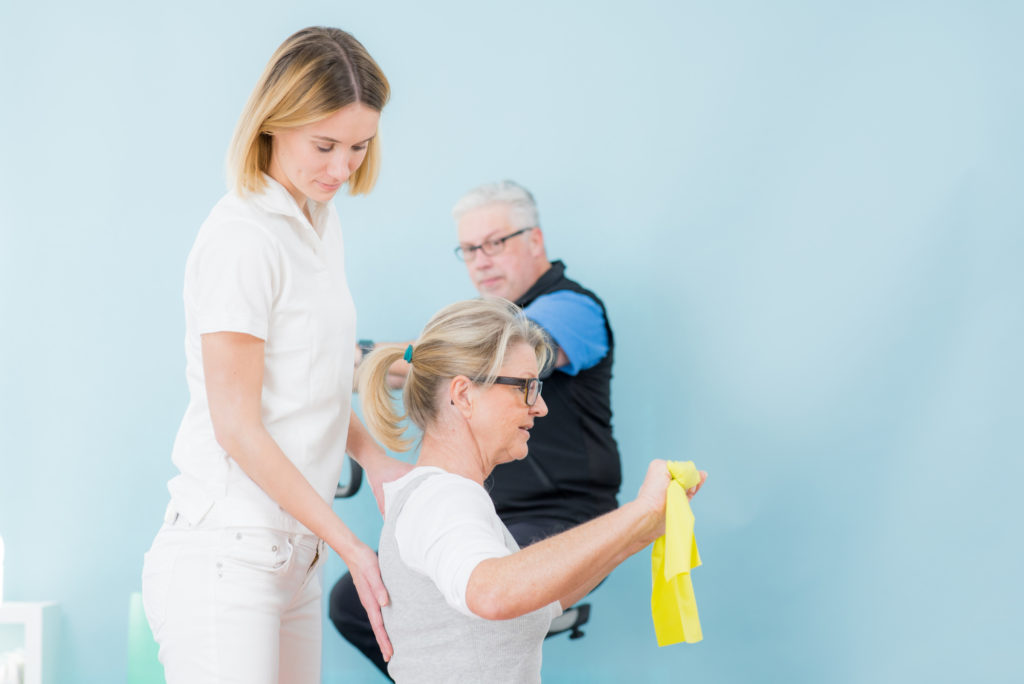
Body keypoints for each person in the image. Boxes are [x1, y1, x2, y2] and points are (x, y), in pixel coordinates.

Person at [141, 27, 408, 683]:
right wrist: (351, 543)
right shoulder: (242, 238)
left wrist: (375, 457)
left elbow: (312, 382)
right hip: (225, 556)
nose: (342, 167)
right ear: (273, 123)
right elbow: (238, 427)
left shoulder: (320, 223)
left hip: (295, 554)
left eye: (358, 147)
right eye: (325, 146)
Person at [330, 180, 622, 677]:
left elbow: (500, 355)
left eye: (495, 243)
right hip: (487, 506)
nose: (481, 260)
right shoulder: (446, 495)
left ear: (535, 240)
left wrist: (363, 358)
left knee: (489, 592)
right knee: (355, 601)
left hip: (561, 512)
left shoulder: (573, 309)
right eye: (469, 250)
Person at [358, 298, 706, 682]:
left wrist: (641, 530)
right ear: (463, 395)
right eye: (525, 387)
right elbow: (492, 593)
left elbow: (529, 604)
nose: (540, 406)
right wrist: (638, 511)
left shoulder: (439, 496)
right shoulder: (445, 499)